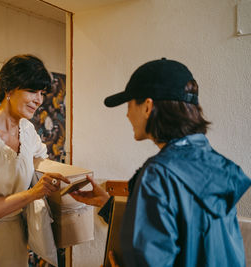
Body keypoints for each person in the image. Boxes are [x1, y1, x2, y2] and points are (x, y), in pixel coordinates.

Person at [70, 58, 251, 266]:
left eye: (129, 104)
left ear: (148, 107)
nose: (127, 114)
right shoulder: (216, 166)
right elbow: (190, 232)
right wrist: (109, 205)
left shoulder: (158, 175)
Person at [0, 54, 69, 267]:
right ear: (9, 90)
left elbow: (41, 164)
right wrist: (32, 193)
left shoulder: (27, 131)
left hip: (15, 238)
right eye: (31, 91)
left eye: (41, 93)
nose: (38, 100)